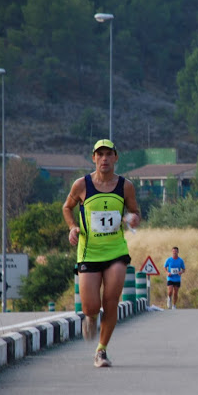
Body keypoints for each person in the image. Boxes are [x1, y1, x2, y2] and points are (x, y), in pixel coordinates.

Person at [62, 139, 140, 368]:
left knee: (111, 300)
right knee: (91, 306)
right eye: (100, 154)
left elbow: (134, 211)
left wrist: (133, 219)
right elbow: (67, 207)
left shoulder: (125, 186)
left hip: (116, 250)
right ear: (93, 158)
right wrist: (72, 227)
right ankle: (91, 318)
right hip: (88, 252)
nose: (104, 158)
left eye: (109, 154)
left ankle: (101, 350)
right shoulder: (81, 185)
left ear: (116, 157)